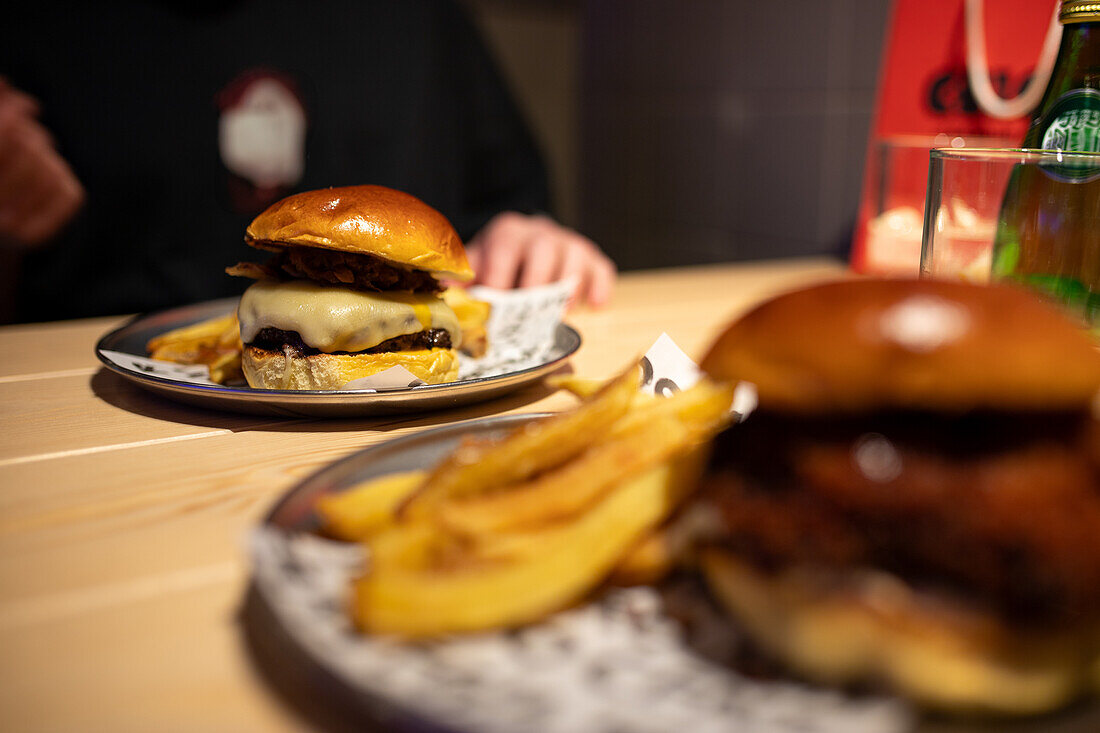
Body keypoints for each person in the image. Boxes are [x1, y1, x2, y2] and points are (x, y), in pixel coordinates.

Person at [0, 1, 614, 324]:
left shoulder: (422, 16)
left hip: (413, 421)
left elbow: (508, 197)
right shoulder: (33, 21)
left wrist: (527, 234)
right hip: (96, 407)